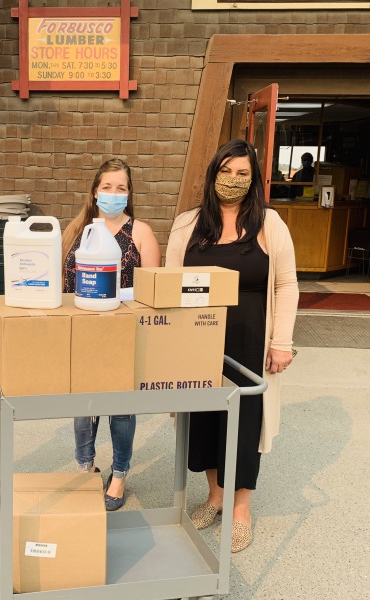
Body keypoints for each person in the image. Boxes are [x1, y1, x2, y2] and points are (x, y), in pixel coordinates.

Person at [165, 139, 299, 552]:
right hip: (197, 340)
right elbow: (168, 283)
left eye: (243, 173)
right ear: (212, 174)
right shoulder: (188, 223)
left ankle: (241, 507)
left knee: (242, 423)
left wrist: (282, 342)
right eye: (226, 171)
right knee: (203, 420)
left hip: (249, 340)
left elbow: (287, 283)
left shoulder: (269, 223)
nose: (233, 180)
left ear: (253, 179)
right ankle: (216, 495)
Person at [62, 158, 161, 510]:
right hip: (83, 333)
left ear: (129, 193)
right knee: (83, 407)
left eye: (121, 188)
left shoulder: (140, 233)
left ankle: (119, 474)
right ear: (95, 192)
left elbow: (154, 290)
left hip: (124, 333)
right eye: (107, 187)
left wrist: (116, 296)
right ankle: (85, 468)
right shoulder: (77, 230)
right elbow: (63, 284)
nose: (113, 194)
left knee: (120, 409)